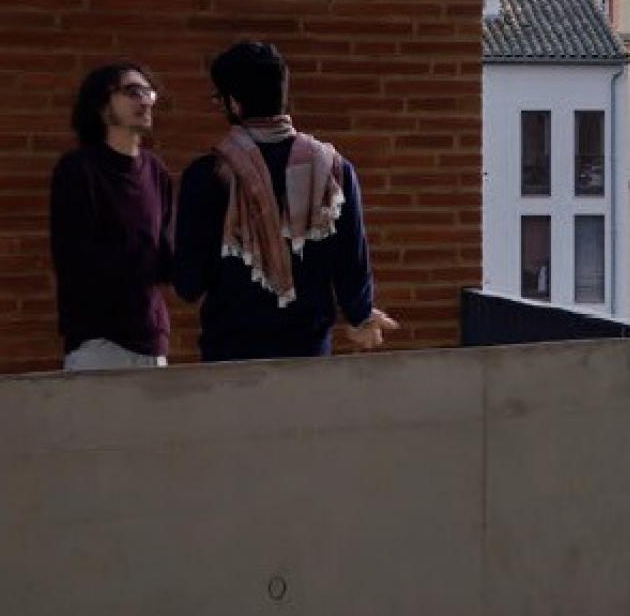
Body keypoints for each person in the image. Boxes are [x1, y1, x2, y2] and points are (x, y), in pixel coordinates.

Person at [173, 38, 395, 362]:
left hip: (229, 355)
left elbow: (189, 283)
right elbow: (352, 264)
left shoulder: (208, 175)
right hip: (308, 356)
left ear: (233, 104)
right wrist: (360, 314)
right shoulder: (334, 170)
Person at [49, 62, 175, 371]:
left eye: (149, 93)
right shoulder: (78, 170)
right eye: (133, 92)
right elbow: (75, 259)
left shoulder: (156, 171)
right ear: (102, 106)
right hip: (98, 341)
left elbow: (167, 255)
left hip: (151, 339)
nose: (145, 101)